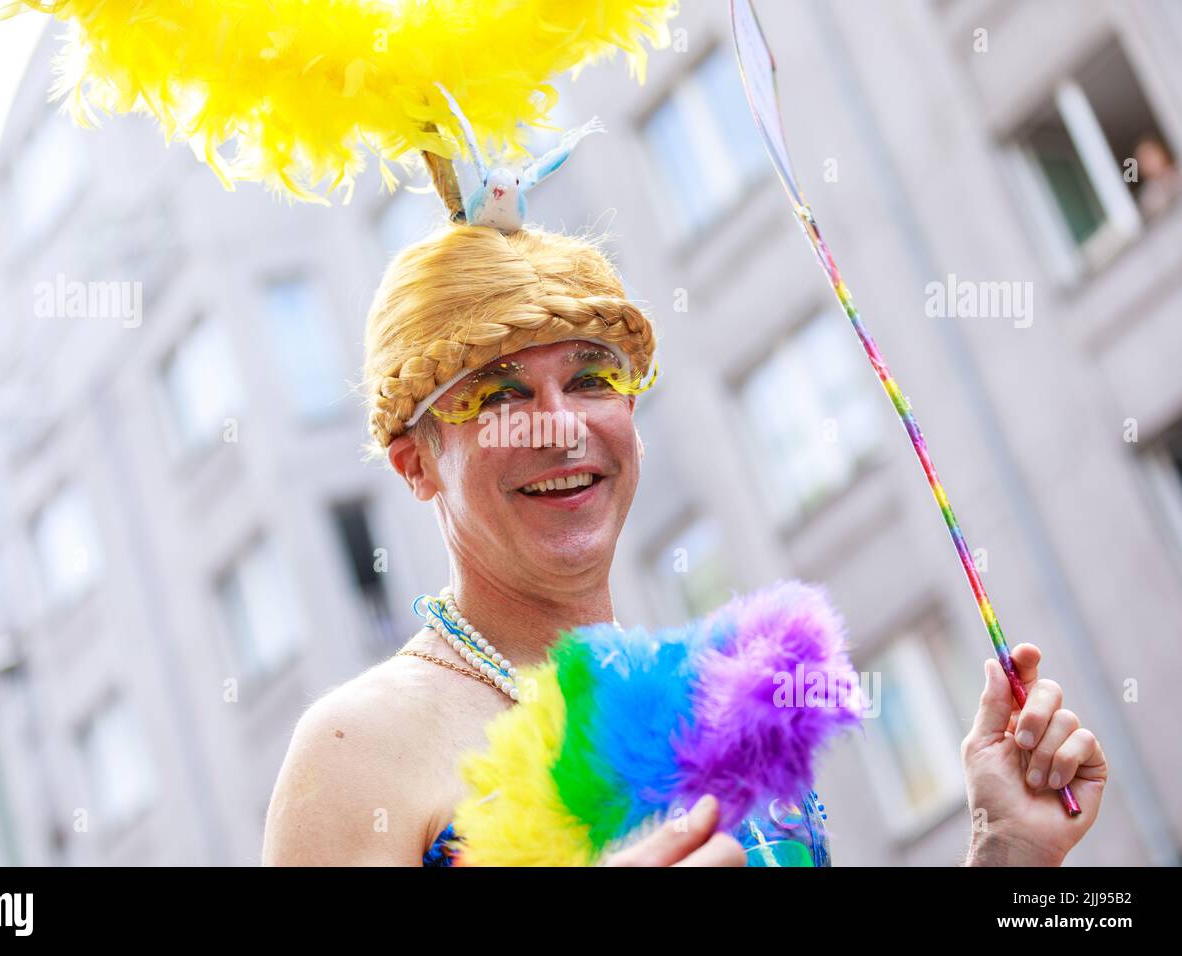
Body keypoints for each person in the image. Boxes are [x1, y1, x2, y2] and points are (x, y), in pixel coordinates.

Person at [260, 223, 1107, 866]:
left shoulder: (718, 698)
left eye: (593, 379)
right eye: (498, 395)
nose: (561, 429)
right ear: (416, 464)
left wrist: (1005, 852)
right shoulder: (356, 748)